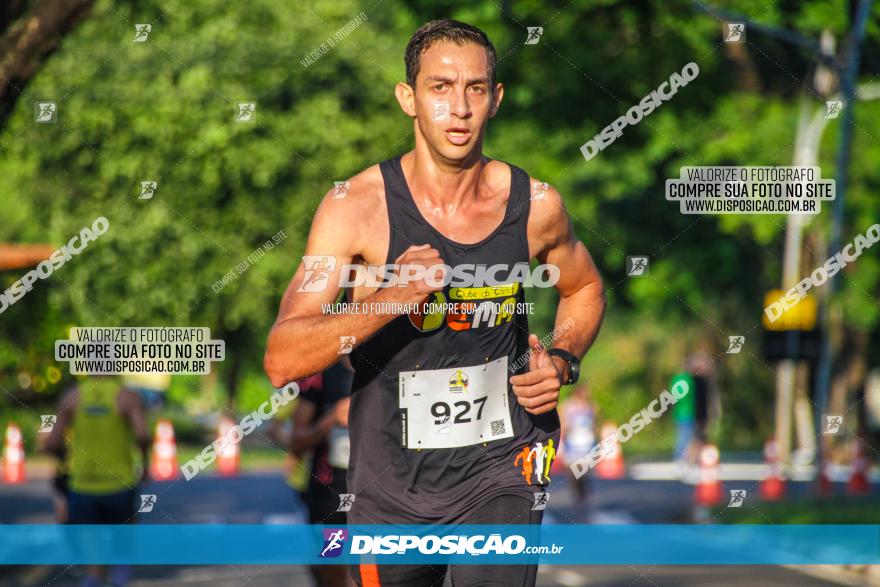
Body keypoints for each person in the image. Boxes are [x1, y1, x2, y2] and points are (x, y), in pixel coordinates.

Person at [264, 19, 605, 586]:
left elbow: (585, 288)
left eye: (475, 88)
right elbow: (283, 357)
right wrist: (393, 295)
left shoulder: (535, 205)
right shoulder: (356, 208)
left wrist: (564, 358)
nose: (460, 108)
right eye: (440, 88)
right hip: (390, 485)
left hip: (504, 467)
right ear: (408, 99)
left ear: (495, 100)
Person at [44, 376, 150, 587]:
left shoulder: (72, 397)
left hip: (83, 484)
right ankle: (121, 572)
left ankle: (94, 577)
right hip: (120, 483)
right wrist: (145, 464)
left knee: (91, 550)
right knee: (123, 534)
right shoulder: (127, 398)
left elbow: (53, 442)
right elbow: (142, 435)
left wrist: (61, 456)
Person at [291, 359, 355, 587]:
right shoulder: (322, 373)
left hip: (378, 494)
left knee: (373, 573)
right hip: (330, 496)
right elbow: (296, 442)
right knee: (332, 568)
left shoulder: (392, 363)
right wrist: (330, 420)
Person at [559, 384, 596, 505]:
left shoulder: (591, 406)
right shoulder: (568, 406)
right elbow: (562, 422)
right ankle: (577, 492)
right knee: (573, 468)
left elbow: (593, 423)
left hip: (586, 441)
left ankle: (583, 492)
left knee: (585, 468)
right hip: (573, 441)